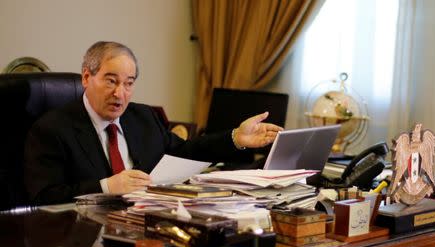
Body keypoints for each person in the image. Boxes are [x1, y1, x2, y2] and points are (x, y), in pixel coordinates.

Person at [24, 41, 283, 205]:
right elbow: (44, 197)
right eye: (111, 81)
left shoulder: (143, 117)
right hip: (83, 239)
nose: (120, 93)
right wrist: (107, 186)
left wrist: (236, 137)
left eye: (129, 83)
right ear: (86, 78)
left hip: (147, 227)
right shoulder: (52, 129)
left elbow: (185, 152)